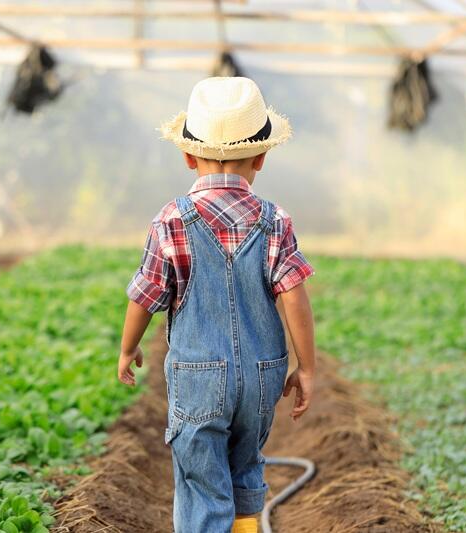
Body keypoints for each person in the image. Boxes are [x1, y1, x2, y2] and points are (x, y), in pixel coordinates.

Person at [117, 76, 317, 533]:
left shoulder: (171, 220)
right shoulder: (275, 220)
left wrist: (128, 348)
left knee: (202, 482)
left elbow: (144, 294)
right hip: (263, 374)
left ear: (188, 155)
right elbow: (294, 296)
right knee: (247, 468)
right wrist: (306, 367)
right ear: (262, 157)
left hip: (198, 378)